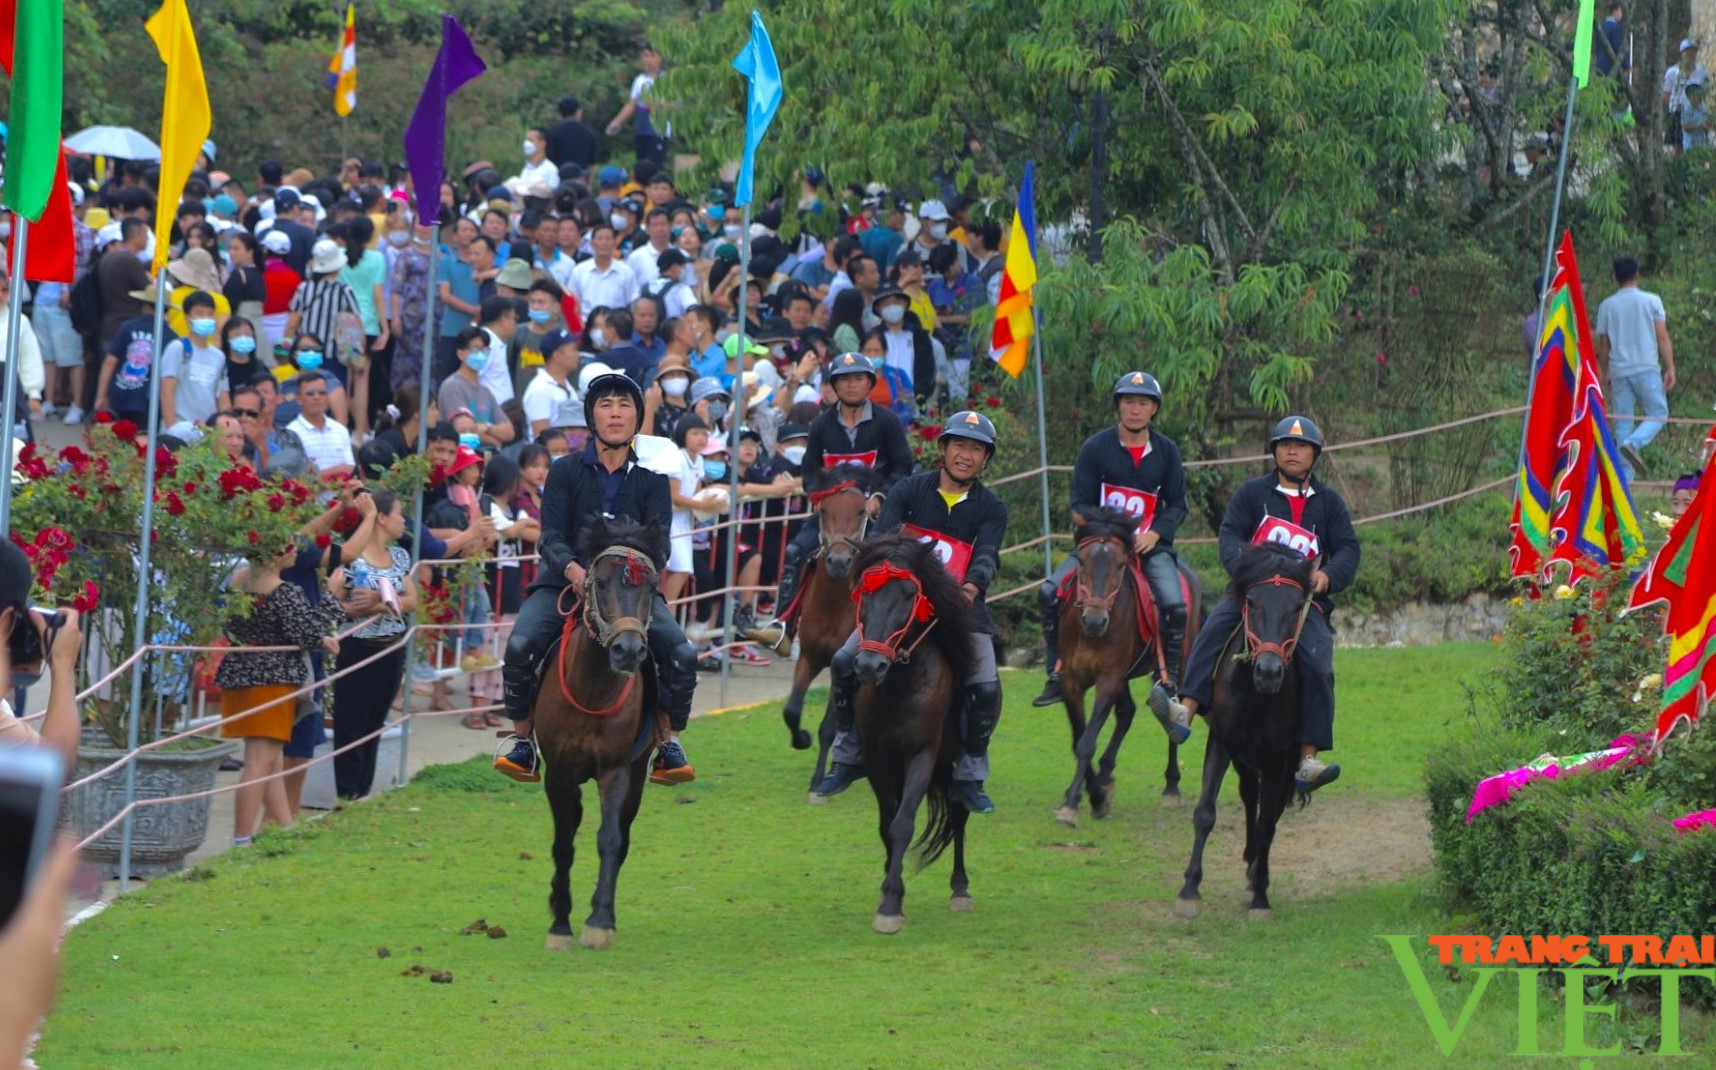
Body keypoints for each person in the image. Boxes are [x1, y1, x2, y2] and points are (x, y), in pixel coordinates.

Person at [495, 372, 699, 785]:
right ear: (592, 416)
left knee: (681, 652)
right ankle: (523, 742)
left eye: (624, 405)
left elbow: (659, 546)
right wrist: (574, 570)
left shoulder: (653, 482)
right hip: (563, 583)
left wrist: (628, 574)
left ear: (637, 416)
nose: (616, 413)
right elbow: (550, 535)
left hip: (629, 592)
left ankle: (668, 742)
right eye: (606, 405)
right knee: (519, 646)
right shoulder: (565, 472)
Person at [1152, 416, 1360, 795]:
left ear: (1314, 454)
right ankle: (1186, 709)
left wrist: (1328, 577)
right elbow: (1230, 534)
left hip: (1302, 605)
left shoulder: (1329, 504)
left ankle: (1308, 758)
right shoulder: (1252, 494)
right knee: (1212, 631)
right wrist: (1244, 569)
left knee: (1318, 663)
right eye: (1284, 445)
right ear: (1275, 452)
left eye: (1300, 446)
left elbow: (1348, 549)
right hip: (1251, 595)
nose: (1292, 451)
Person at [812, 411, 1007, 813]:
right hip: (900, 607)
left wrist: (971, 587)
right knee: (844, 661)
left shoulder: (992, 508)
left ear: (985, 459)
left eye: (976, 449)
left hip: (959, 612)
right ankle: (848, 757)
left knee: (985, 686)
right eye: (959, 446)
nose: (965, 456)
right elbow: (884, 547)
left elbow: (986, 555)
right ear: (943, 449)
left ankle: (970, 774)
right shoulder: (907, 491)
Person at [740, 352, 915, 654]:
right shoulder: (821, 424)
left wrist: (880, 497)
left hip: (873, 512)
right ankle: (783, 625)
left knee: (891, 560)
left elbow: (903, 466)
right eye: (844, 380)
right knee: (796, 550)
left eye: (858, 379)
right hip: (832, 514)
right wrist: (818, 497)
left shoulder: (886, 422)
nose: (851, 385)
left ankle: (897, 635)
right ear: (834, 385)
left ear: (869, 383)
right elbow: (809, 470)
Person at [1032, 372, 1191, 706]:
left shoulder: (1167, 452)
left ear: (1153, 410)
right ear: (1118, 405)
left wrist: (1156, 533)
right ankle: (1056, 672)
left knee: (1175, 606)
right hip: (1099, 549)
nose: (1135, 409)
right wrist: (1106, 535)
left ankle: (1167, 677)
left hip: (1149, 547)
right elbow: (1078, 507)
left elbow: (1178, 504)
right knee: (1048, 593)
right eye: (1128, 401)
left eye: (1142, 403)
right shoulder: (1095, 448)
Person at [216, 544, 341, 845]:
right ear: (273, 552)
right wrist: (332, 596)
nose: (296, 550)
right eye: (288, 544)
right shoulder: (284, 590)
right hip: (272, 682)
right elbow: (308, 633)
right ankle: (241, 840)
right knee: (259, 762)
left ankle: (283, 827)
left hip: (241, 677)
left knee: (270, 760)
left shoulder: (236, 581)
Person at [326, 489, 418, 799]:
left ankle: (362, 792)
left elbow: (412, 600)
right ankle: (346, 794)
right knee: (351, 725)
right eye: (399, 513)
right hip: (358, 648)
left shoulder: (400, 556)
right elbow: (335, 607)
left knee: (375, 725)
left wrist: (380, 602)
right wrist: (361, 608)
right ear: (381, 518)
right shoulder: (351, 558)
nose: (403, 520)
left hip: (391, 647)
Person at [1594, 256, 1673, 478]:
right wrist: (1670, 367)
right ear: (1637, 275)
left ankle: (1623, 490)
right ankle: (1633, 443)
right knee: (1658, 413)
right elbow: (1662, 337)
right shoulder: (1652, 301)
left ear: (1615, 277)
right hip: (1646, 368)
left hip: (1619, 371)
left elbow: (1604, 344)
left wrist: (1605, 371)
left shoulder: (1606, 306)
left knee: (1622, 425)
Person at [160, 290, 230, 440]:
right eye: (199, 313)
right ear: (187, 318)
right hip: (180, 430)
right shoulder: (178, 348)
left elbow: (222, 396)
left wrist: (225, 433)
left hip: (208, 434)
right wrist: (172, 430)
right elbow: (166, 391)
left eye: (210, 314)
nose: (205, 318)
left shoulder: (219, 356)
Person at [606, 44, 670, 167]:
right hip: (642, 129)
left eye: (652, 56)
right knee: (641, 165)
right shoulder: (640, 80)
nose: (648, 60)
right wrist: (616, 122)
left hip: (659, 131)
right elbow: (632, 104)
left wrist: (658, 107)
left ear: (660, 58)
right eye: (646, 56)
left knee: (653, 166)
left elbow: (678, 104)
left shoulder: (667, 79)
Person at [287, 369, 355, 478]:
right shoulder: (290, 433)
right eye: (310, 393)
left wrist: (320, 475)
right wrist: (338, 470)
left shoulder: (340, 430)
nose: (317, 397)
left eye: (322, 393)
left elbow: (351, 469)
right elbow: (299, 478)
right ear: (299, 399)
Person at [545, 96, 599, 170]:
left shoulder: (553, 132)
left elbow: (549, 159)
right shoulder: (588, 133)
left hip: (560, 175)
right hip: (581, 177)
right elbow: (592, 163)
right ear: (578, 112)